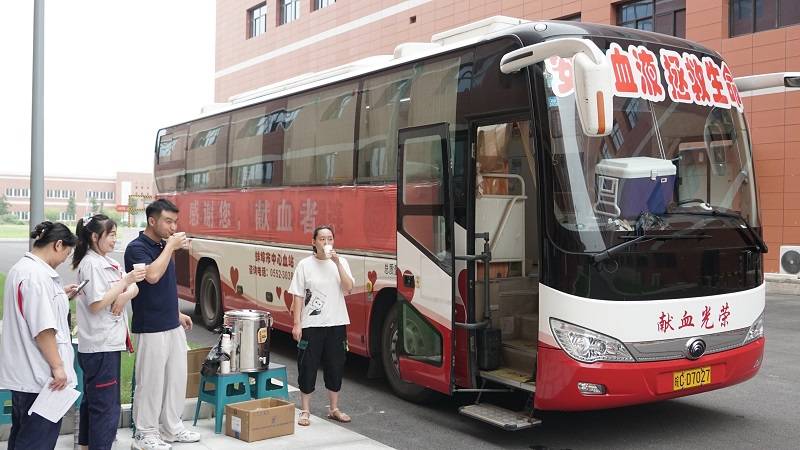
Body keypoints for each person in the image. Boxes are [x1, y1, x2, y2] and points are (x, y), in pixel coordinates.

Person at [124, 198, 199, 450]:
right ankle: (144, 434)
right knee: (151, 382)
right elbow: (153, 277)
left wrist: (177, 313)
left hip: (171, 324)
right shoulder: (137, 248)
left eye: (175, 222)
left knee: (175, 380)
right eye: (168, 221)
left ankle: (172, 427)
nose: (173, 227)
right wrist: (170, 248)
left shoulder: (163, 246)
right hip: (150, 326)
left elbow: (166, 285)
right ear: (152, 221)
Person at [0, 221, 79, 449]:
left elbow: (32, 309)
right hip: (41, 377)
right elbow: (43, 329)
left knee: (22, 435)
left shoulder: (23, 269)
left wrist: (59, 295)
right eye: (66, 253)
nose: (64, 259)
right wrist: (58, 367)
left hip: (24, 375)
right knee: (37, 441)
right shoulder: (37, 277)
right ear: (58, 244)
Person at [72, 214, 146, 450]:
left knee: (94, 400)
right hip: (100, 344)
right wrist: (125, 283)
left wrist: (124, 294)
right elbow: (96, 304)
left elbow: (133, 287)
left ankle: (86, 445)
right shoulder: (91, 264)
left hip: (106, 343)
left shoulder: (108, 262)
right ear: (95, 237)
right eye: (111, 234)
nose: (115, 239)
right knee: (105, 406)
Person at [288, 225, 355, 426]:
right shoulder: (305, 265)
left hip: (336, 322)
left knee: (335, 365)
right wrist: (297, 324)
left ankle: (333, 408)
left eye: (330, 239)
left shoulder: (341, 262)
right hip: (311, 324)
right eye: (322, 239)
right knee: (307, 366)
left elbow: (349, 287)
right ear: (314, 242)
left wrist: (337, 263)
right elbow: (298, 295)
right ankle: (305, 410)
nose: (327, 242)